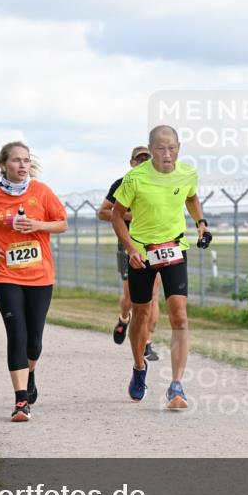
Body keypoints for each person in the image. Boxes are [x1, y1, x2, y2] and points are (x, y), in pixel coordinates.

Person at [110, 125, 211, 410]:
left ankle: (177, 385)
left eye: (172, 148)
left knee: (179, 315)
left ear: (179, 148)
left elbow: (191, 196)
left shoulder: (188, 173)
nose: (167, 154)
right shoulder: (134, 178)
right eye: (160, 148)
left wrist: (200, 223)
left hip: (175, 248)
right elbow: (116, 216)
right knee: (140, 314)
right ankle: (139, 366)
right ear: (151, 149)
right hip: (142, 252)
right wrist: (130, 248)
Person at [0, 141, 67, 423]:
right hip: (6, 274)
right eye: (16, 160)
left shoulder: (42, 192)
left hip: (40, 275)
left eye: (26, 160)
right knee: (17, 335)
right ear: (3, 165)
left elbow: (62, 223)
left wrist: (38, 225)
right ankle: (21, 401)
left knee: (34, 343)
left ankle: (30, 372)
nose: (22, 165)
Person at [97, 146, 161, 361]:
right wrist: (134, 216)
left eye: (147, 158)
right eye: (139, 159)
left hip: (156, 246)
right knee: (131, 297)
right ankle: (124, 318)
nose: (144, 162)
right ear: (132, 162)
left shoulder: (160, 183)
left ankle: (148, 342)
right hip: (129, 246)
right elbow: (103, 212)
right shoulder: (122, 184)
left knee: (153, 295)